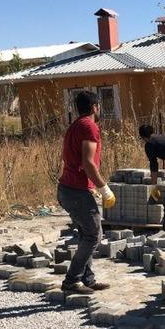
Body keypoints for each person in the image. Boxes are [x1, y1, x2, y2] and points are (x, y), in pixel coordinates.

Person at [57, 91, 117, 294]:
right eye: (99, 107)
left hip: (68, 189)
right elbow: (88, 163)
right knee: (94, 235)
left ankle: (87, 279)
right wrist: (104, 188)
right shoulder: (89, 126)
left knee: (86, 235)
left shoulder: (75, 126)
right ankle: (71, 281)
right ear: (95, 107)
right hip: (76, 191)